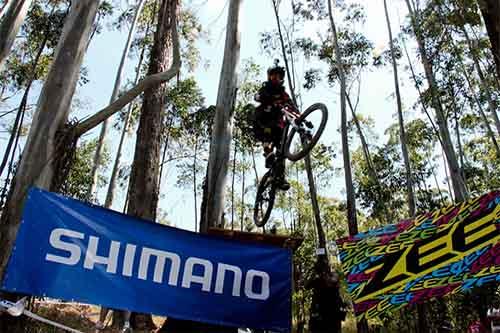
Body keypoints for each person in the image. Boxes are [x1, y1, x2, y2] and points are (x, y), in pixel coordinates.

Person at [253, 59, 296, 191]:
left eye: (278, 76)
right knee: (267, 131)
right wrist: (265, 98)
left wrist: (299, 116)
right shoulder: (266, 88)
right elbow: (257, 96)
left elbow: (291, 105)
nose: (275, 78)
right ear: (269, 76)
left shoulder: (283, 93)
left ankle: (280, 178)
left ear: (281, 78)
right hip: (263, 119)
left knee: (282, 149)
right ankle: (268, 153)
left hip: (278, 124)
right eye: (273, 75)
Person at [306, 259, 345, 333]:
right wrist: (313, 274)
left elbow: (336, 284)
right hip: (320, 314)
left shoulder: (333, 278)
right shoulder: (317, 281)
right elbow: (306, 286)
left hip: (332, 315)